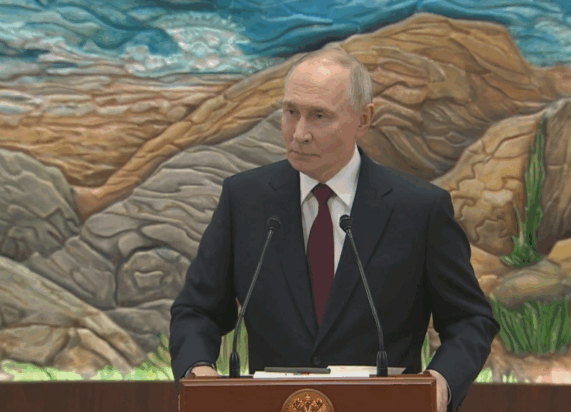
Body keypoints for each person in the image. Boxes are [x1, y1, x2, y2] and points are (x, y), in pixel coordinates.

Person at [169, 48, 500, 412]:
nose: (299, 133)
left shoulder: (419, 209)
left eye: (319, 116)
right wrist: (198, 371)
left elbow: (469, 319)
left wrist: (440, 383)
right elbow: (197, 310)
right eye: (290, 112)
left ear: (363, 119)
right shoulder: (245, 200)